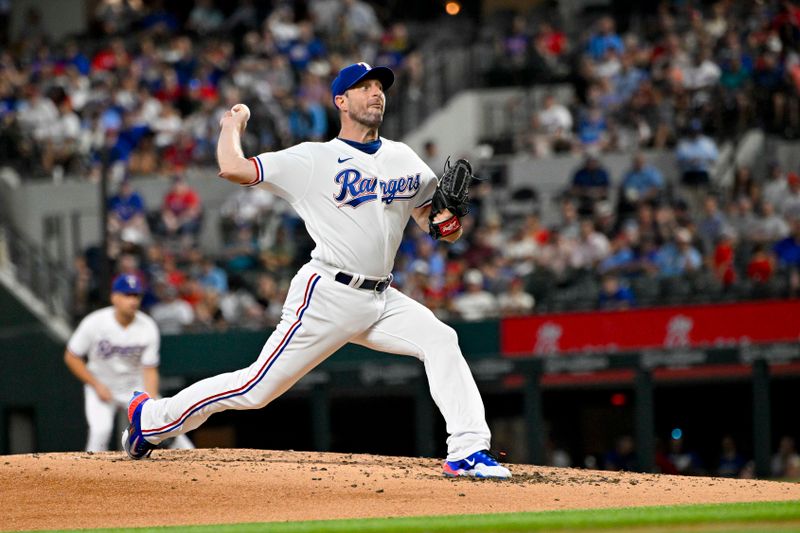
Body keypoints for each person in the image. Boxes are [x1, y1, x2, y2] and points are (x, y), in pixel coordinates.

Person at [122, 63, 511, 479]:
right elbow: (234, 166)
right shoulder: (313, 159)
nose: (376, 93)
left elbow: (425, 216)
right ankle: (150, 418)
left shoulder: (403, 157)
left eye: (379, 86)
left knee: (441, 340)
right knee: (255, 390)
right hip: (327, 294)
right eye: (363, 88)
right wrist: (231, 123)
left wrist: (444, 226)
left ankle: (467, 451)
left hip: (381, 297)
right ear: (341, 101)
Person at [64, 274, 192, 452]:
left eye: (136, 295)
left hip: (134, 387)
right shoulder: (95, 322)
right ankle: (90, 477)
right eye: (127, 295)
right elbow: (71, 356)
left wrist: (152, 400)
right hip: (101, 384)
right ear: (114, 297)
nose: (132, 300)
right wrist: (96, 384)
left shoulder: (148, 326)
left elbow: (149, 369)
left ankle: (200, 468)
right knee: (100, 432)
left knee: (170, 427)